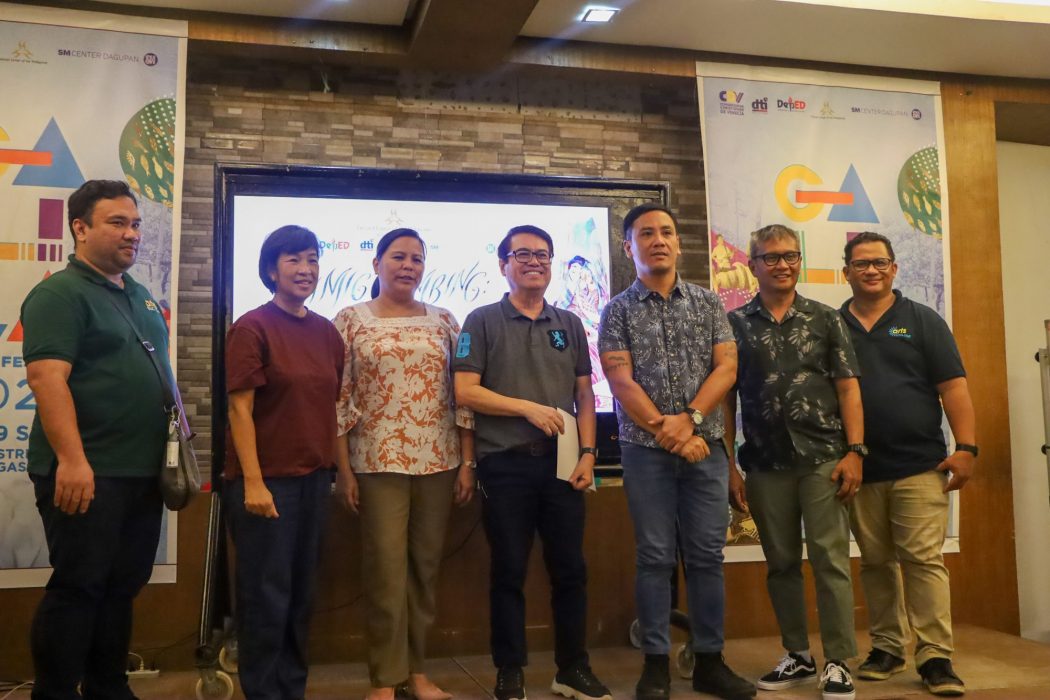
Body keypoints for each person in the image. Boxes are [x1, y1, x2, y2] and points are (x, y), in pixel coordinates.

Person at [21, 179, 176, 699]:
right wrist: (72, 460)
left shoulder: (140, 295)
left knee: (120, 588)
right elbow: (47, 378)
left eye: (136, 224)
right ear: (80, 229)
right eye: (117, 223)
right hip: (87, 472)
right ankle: (55, 693)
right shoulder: (59, 294)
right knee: (79, 588)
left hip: (141, 473)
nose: (132, 233)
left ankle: (109, 688)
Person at [598, 204, 755, 700]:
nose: (658, 240)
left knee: (707, 556)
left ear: (679, 242)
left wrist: (688, 420)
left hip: (705, 449)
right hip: (645, 452)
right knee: (654, 557)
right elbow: (620, 381)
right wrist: (668, 430)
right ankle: (655, 667)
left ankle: (710, 661)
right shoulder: (617, 310)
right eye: (646, 233)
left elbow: (726, 369)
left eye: (666, 231)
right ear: (629, 246)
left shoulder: (709, 304)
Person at [453, 225, 610, 700]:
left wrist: (588, 454)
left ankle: (572, 668)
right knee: (508, 570)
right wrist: (527, 408)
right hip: (504, 465)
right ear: (503, 264)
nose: (534, 262)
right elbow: (465, 391)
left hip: (564, 465)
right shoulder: (481, 321)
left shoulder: (569, 323)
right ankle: (510, 671)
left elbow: (585, 394)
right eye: (522, 254)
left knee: (571, 570)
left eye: (543, 255)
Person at [333, 228, 476, 700]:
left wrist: (468, 462)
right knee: (385, 572)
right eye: (398, 257)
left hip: (439, 461)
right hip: (377, 462)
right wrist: (343, 470)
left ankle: (417, 672)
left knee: (425, 569)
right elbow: (339, 399)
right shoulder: (350, 320)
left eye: (417, 258)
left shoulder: (445, 320)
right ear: (376, 263)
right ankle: (384, 679)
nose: (408, 266)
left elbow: (462, 396)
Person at [724, 224, 864, 700]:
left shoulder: (826, 319)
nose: (782, 264)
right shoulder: (735, 324)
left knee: (830, 560)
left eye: (790, 256)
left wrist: (855, 451)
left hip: (824, 458)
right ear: (753, 265)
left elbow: (848, 387)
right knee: (781, 563)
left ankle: (838, 661)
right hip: (765, 464)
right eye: (771, 257)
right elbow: (725, 399)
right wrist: (729, 465)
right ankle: (798, 656)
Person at [840, 231, 973, 697]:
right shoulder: (834, 325)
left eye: (880, 262)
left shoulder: (921, 320)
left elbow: (953, 386)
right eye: (861, 263)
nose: (871, 270)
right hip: (860, 468)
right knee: (875, 563)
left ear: (894, 268)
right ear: (846, 272)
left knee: (922, 560)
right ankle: (887, 648)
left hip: (920, 464)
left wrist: (967, 447)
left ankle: (935, 656)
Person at [224, 225, 347, 700]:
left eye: (313, 259)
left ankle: (291, 688)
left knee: (301, 595)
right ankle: (263, 692)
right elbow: (240, 410)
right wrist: (253, 482)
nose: (306, 269)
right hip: (267, 484)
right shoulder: (252, 327)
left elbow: (330, 406)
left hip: (314, 482)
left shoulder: (327, 333)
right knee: (265, 597)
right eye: (294, 259)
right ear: (271, 269)